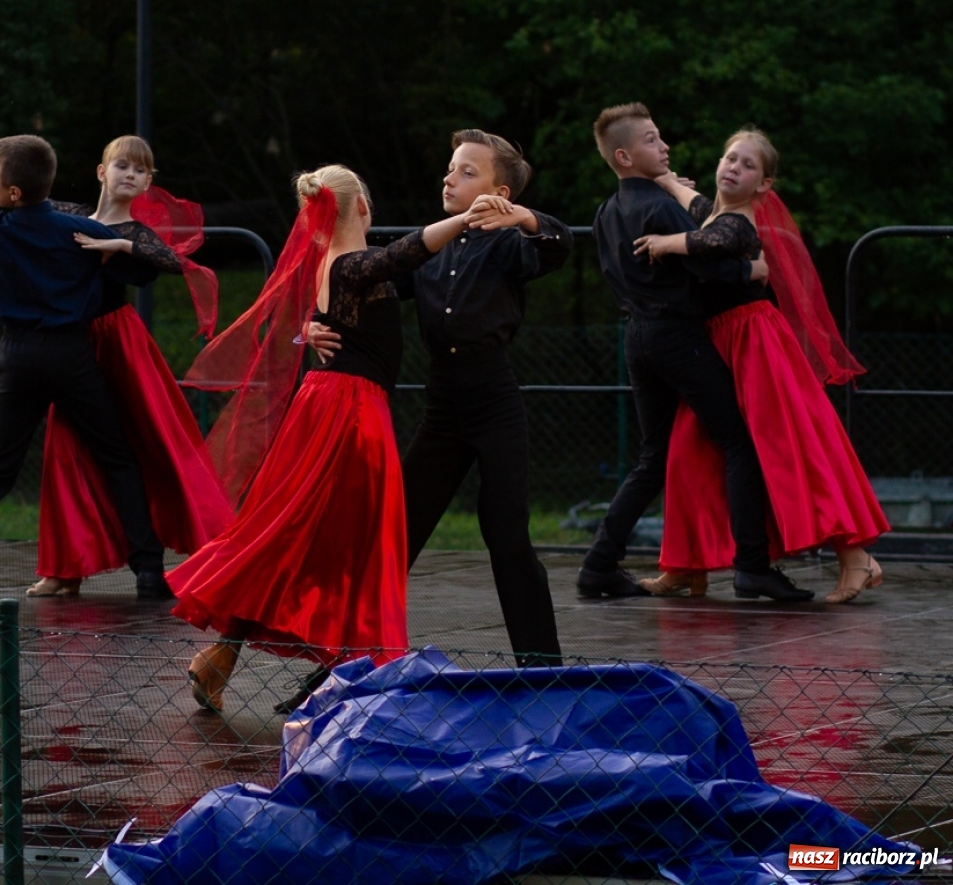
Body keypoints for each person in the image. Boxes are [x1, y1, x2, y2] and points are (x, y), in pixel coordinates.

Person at [170, 165, 469, 714]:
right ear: (360, 206)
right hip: (347, 414)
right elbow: (401, 255)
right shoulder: (352, 264)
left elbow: (381, 277)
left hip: (336, 407)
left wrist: (305, 326)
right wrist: (466, 218)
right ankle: (365, 671)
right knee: (349, 542)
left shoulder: (334, 265)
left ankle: (226, 656)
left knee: (305, 537)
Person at [307, 131, 567, 665]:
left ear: (500, 192)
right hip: (442, 411)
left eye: (467, 172)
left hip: (495, 404)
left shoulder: (512, 243)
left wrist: (527, 220)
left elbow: (558, 245)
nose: (450, 178)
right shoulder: (426, 247)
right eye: (452, 168)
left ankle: (543, 672)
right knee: (395, 540)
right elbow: (353, 284)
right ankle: (348, 664)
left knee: (509, 540)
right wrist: (310, 326)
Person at [0, 135, 229, 598]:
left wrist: (121, 246)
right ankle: (65, 565)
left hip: (114, 344)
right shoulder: (72, 217)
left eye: (141, 171)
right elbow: (25, 195)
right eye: (122, 165)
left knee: (134, 444)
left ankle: (147, 564)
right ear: (102, 172)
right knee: (66, 455)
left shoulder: (133, 232)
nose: (131, 175)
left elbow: (171, 260)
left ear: (146, 184)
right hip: (73, 344)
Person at [630, 127, 889, 603]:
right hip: (716, 345)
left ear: (764, 186)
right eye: (731, 158)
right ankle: (686, 564)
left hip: (754, 342)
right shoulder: (713, 213)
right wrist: (667, 181)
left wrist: (667, 243)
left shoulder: (740, 224)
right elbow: (696, 205)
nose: (734, 168)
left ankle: (856, 557)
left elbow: (710, 242)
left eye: (748, 166)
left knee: (788, 447)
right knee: (690, 449)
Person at [579, 103, 812, 602]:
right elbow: (710, 271)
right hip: (676, 337)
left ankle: (599, 563)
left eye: (660, 137)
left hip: (636, 338)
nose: (663, 147)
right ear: (624, 156)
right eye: (651, 140)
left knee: (655, 455)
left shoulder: (605, 212)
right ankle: (752, 566)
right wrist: (753, 271)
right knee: (738, 442)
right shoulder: (663, 211)